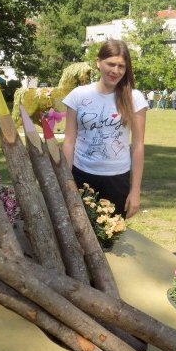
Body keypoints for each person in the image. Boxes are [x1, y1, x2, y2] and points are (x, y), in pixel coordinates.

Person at [63, 39, 147, 219]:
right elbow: (69, 141)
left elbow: (138, 145)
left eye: (121, 66)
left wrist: (135, 191)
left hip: (117, 179)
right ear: (98, 62)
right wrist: (66, 181)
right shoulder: (78, 95)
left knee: (111, 237)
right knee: (79, 234)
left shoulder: (135, 98)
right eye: (111, 64)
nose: (115, 71)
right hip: (81, 175)